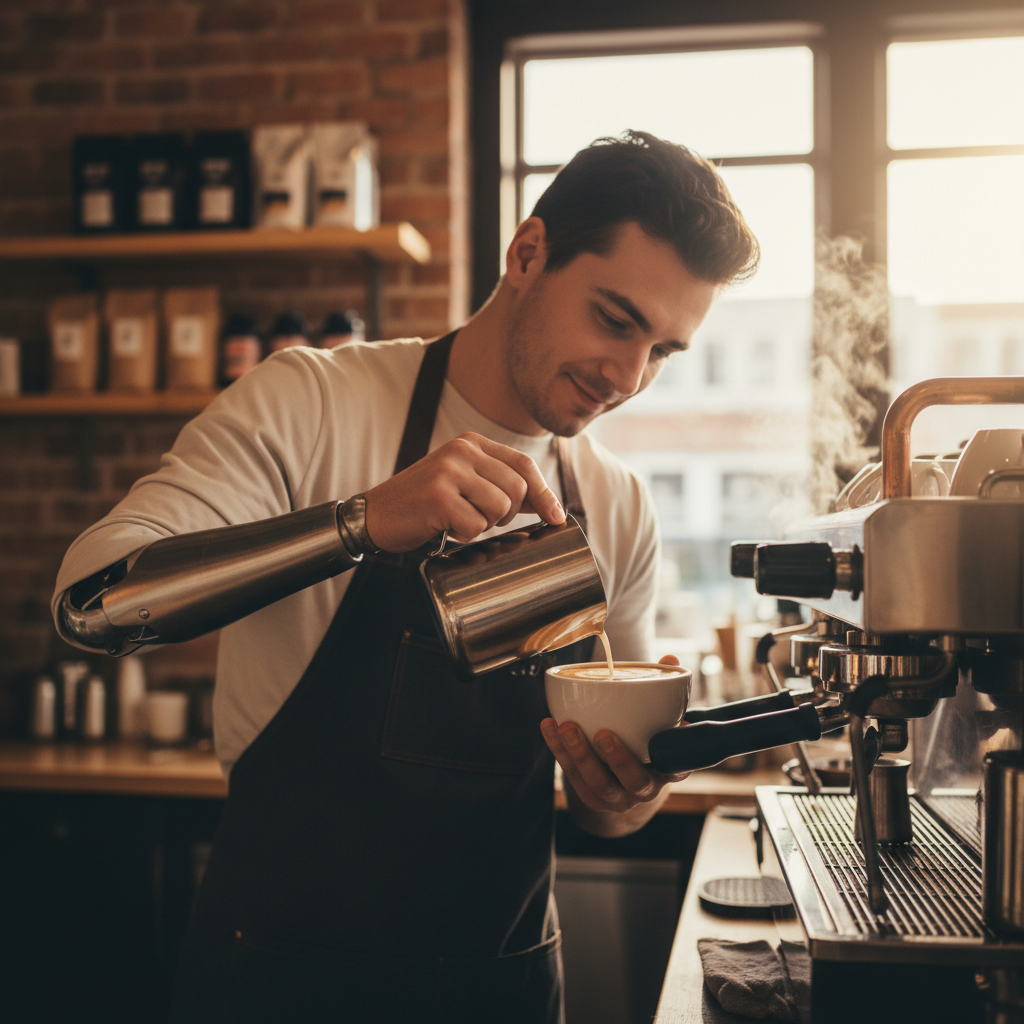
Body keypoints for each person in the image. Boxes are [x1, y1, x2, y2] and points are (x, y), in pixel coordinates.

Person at [52, 130, 758, 1023]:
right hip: (277, 983)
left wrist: (623, 791)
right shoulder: (311, 401)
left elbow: (613, 811)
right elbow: (91, 603)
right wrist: (359, 523)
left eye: (662, 351)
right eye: (616, 321)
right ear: (527, 254)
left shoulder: (614, 505)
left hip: (500, 988)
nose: (626, 377)